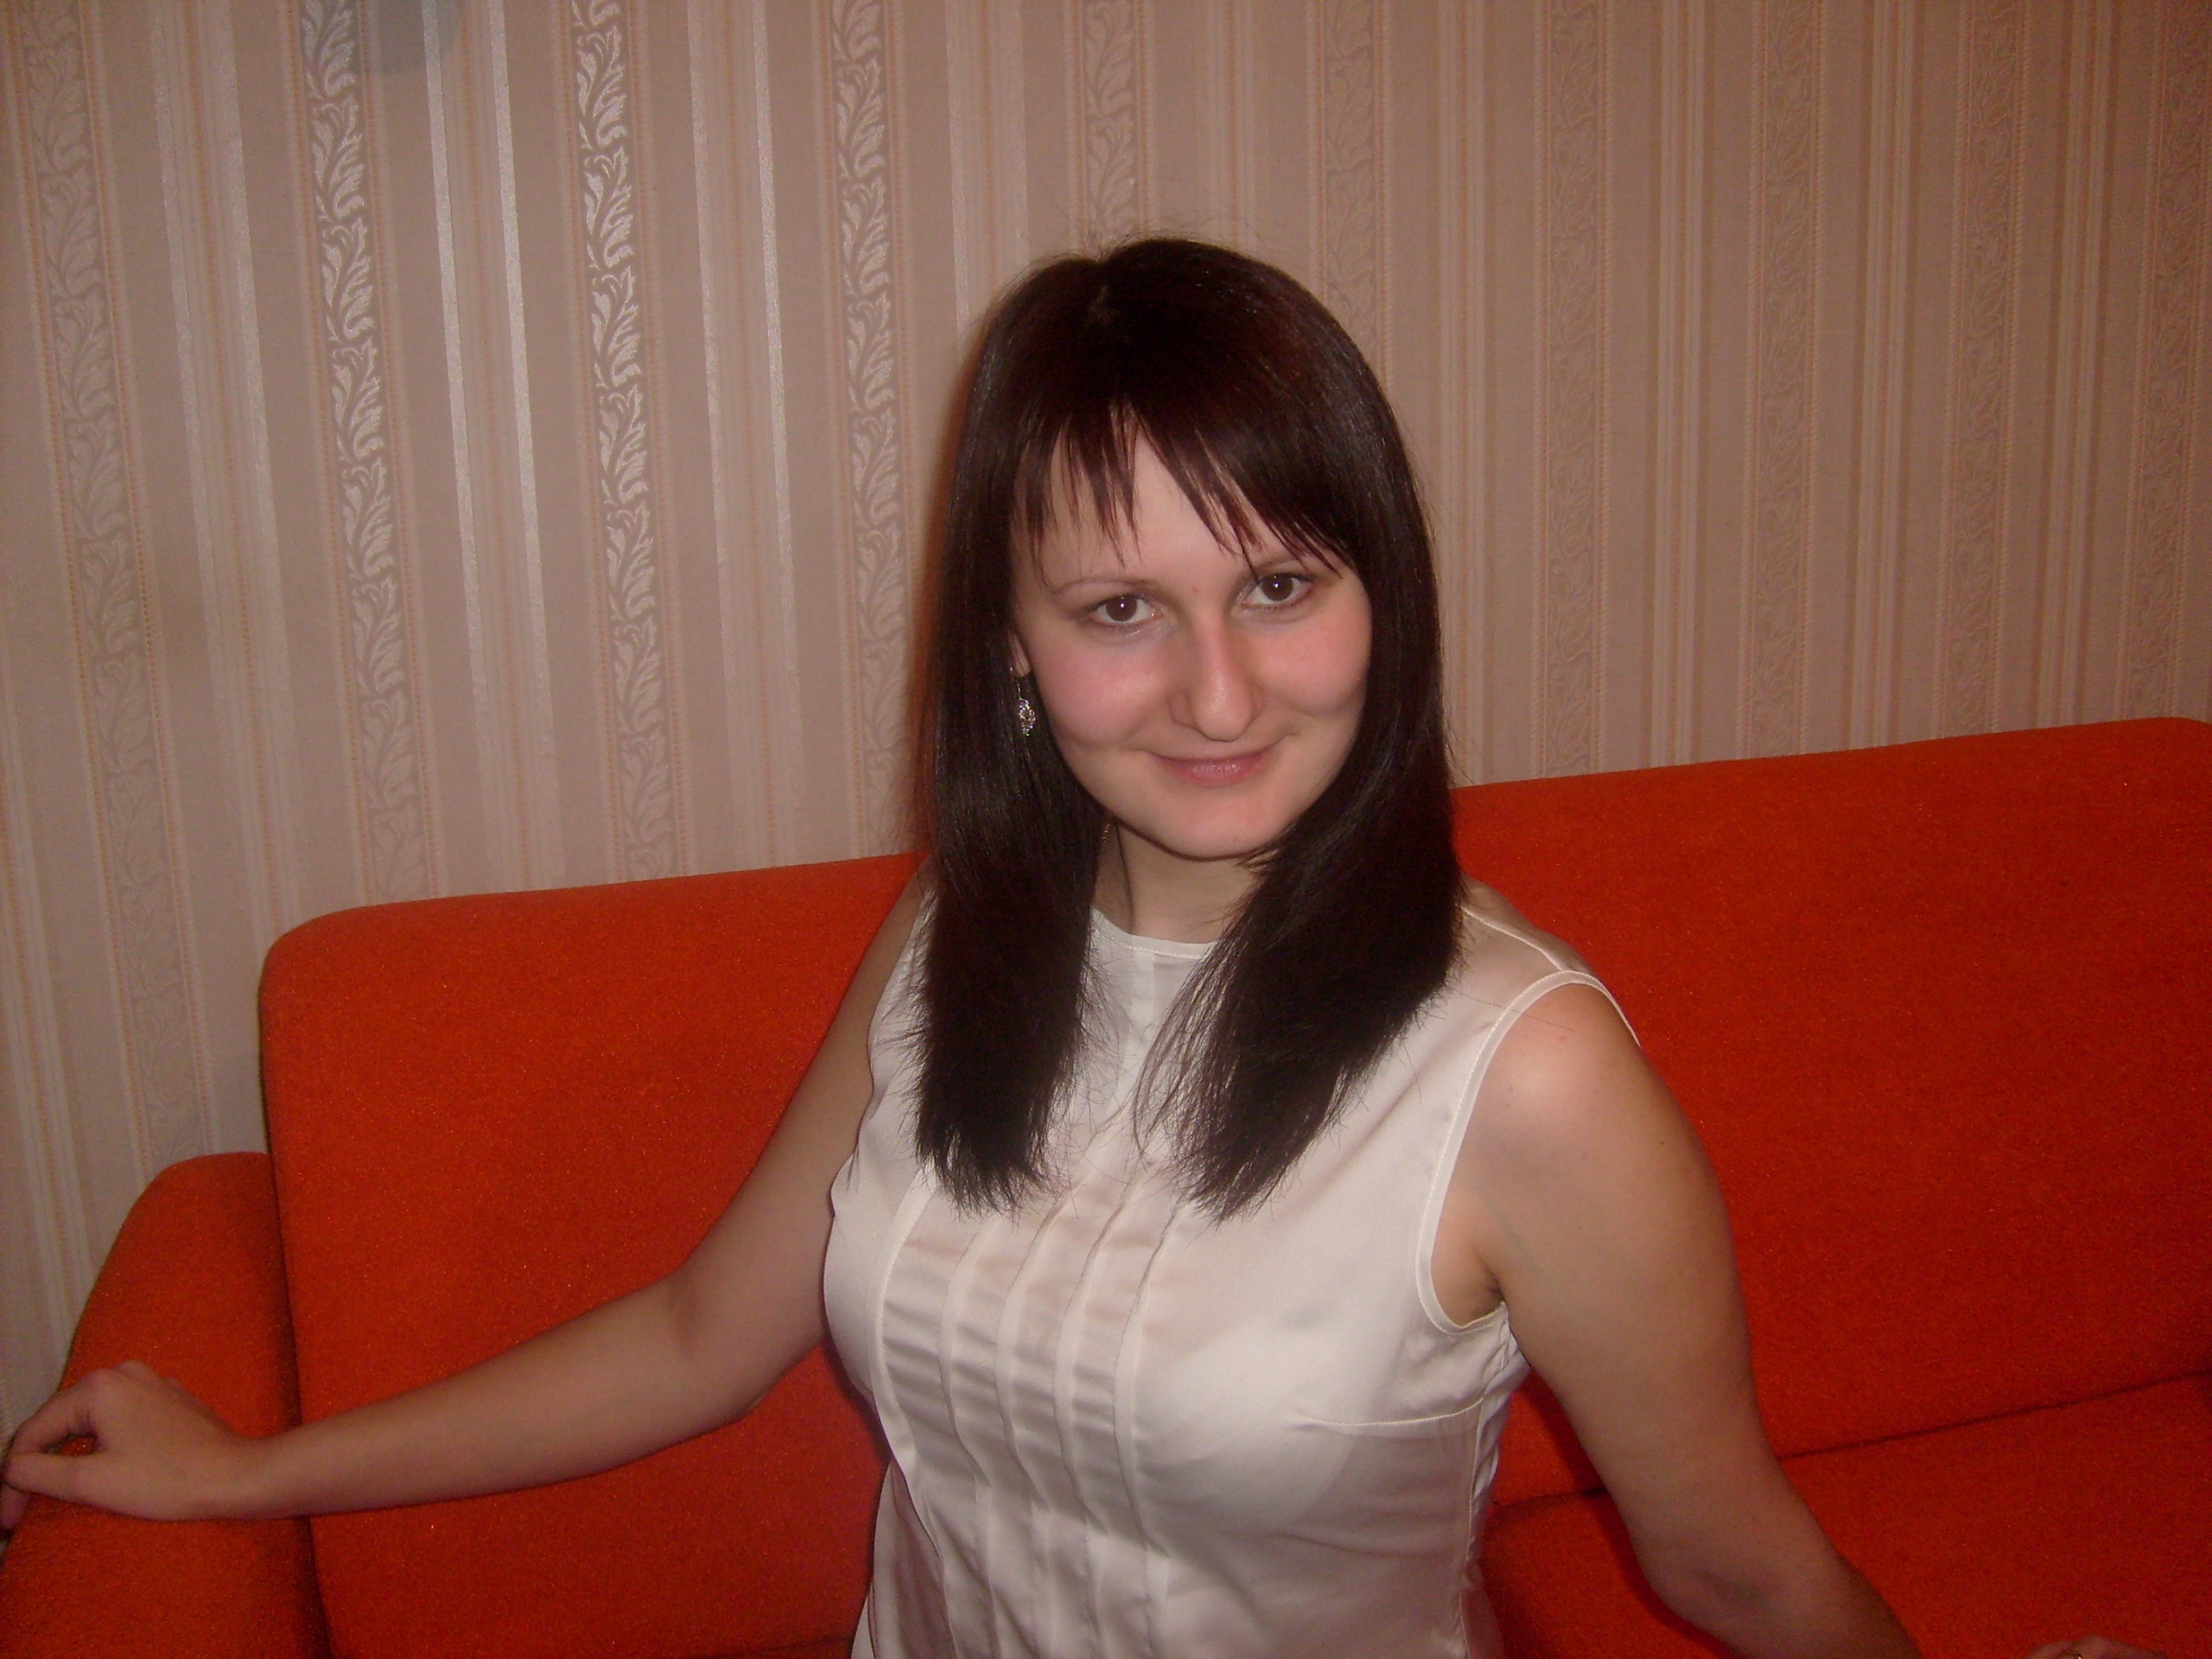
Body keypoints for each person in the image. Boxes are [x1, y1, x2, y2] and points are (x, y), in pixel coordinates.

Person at [1, 240, 2160, 1659]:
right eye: (1120, 609)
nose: (1219, 692)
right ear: (1014, 654)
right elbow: (693, 1338)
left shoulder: (1524, 1076)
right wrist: (248, 1475)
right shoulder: (960, 936)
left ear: (1380, 596)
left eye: (1280, 584)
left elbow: (1725, 1557)